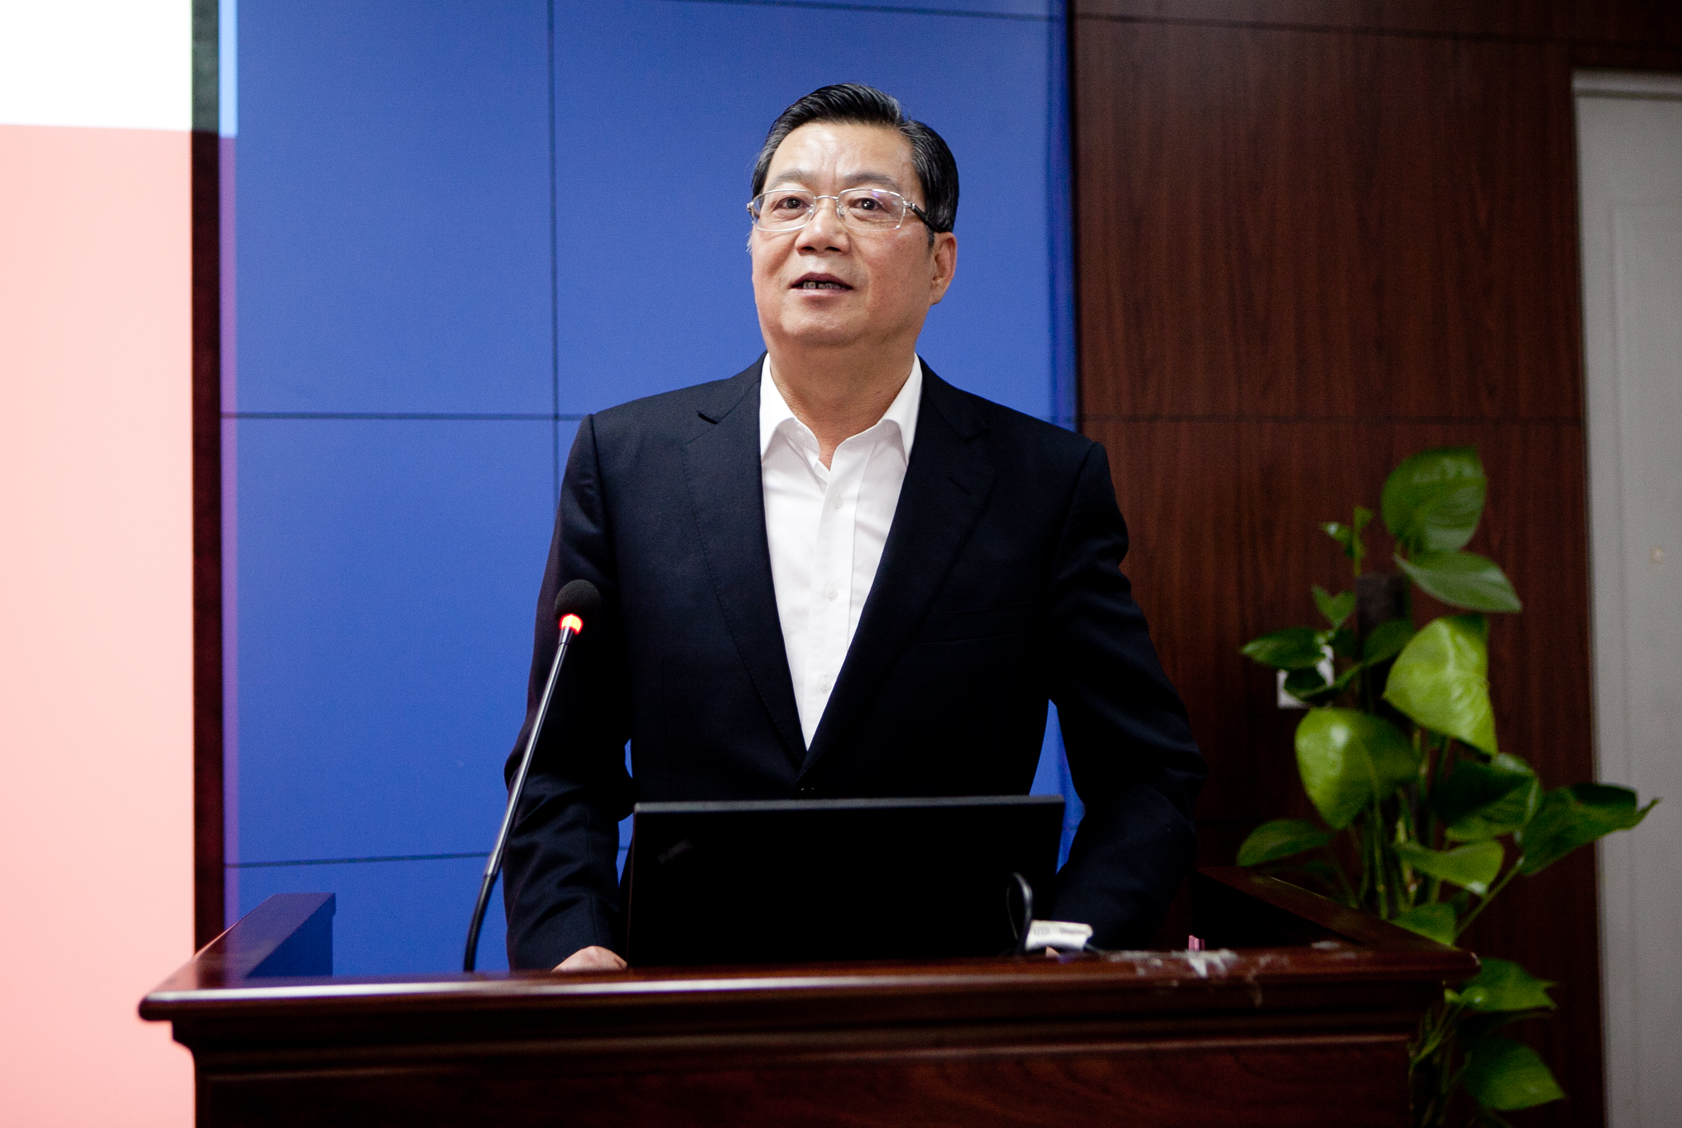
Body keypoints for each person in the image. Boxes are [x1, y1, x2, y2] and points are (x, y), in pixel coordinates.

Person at [504, 84, 1206, 971]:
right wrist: (574, 946)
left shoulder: (1041, 485)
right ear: (755, 244)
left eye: (868, 204)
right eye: (789, 203)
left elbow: (1148, 775)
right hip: (686, 1007)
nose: (820, 232)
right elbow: (560, 771)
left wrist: (1060, 955)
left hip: (953, 1012)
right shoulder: (628, 465)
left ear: (941, 264)